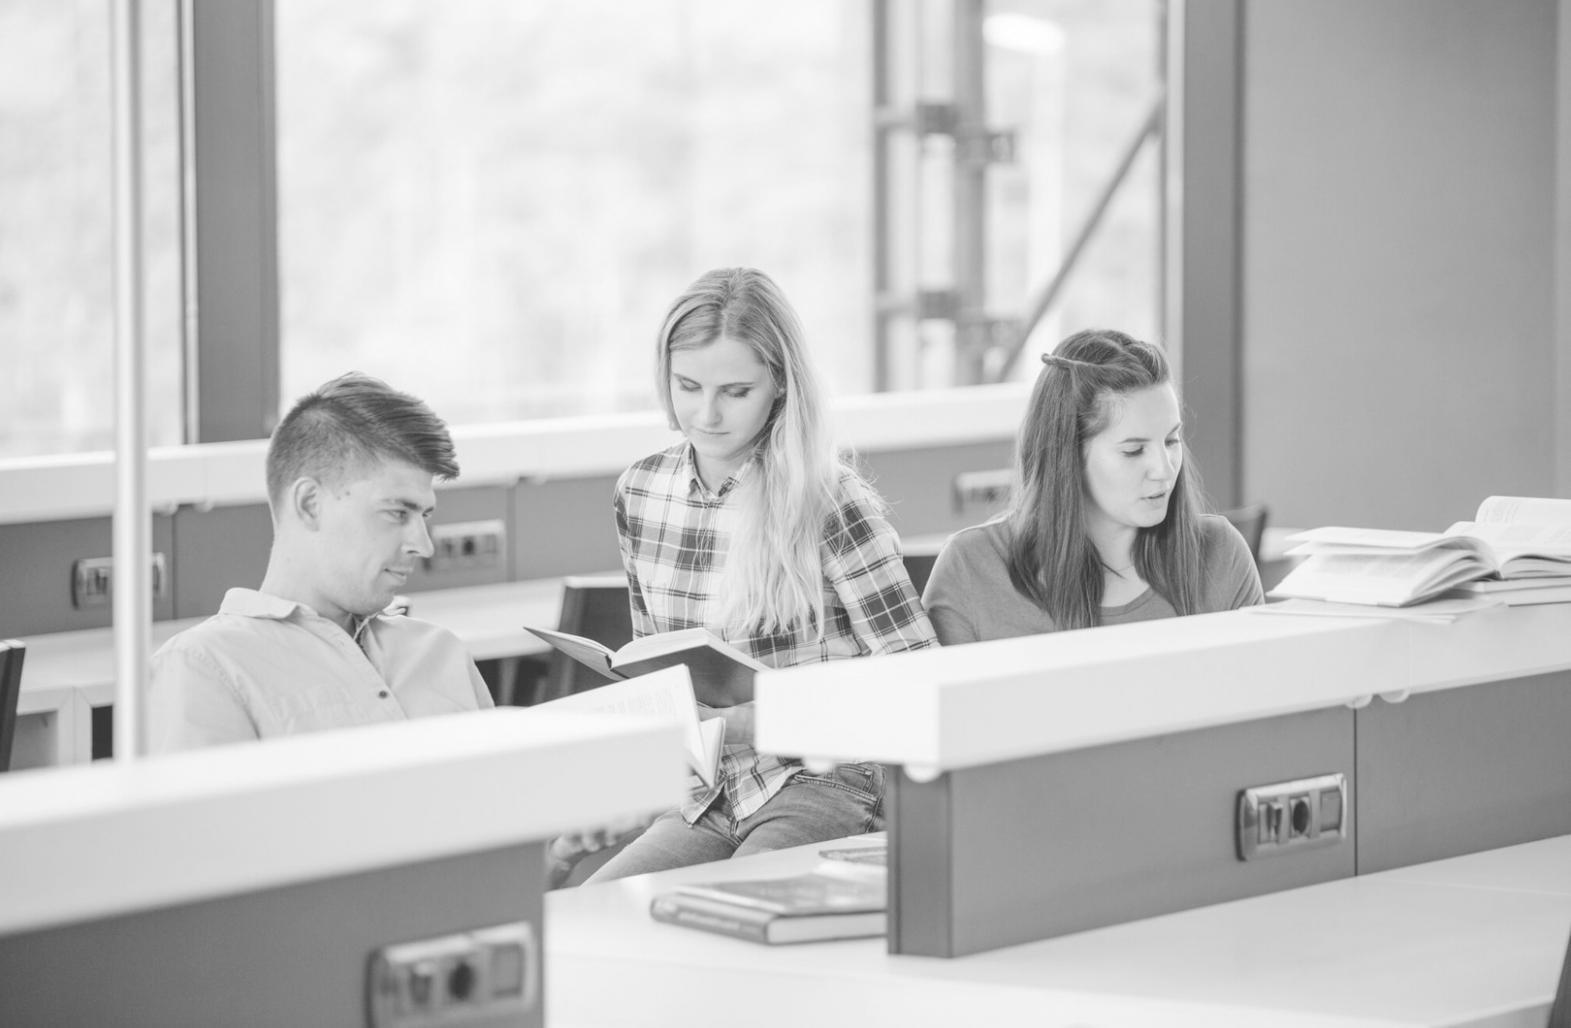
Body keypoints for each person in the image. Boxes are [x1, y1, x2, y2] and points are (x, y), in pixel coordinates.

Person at [576, 267, 937, 882]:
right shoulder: (640, 491)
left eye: (735, 392)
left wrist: (748, 721)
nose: (706, 414)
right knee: (598, 909)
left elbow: (918, 678)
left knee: (738, 901)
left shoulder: (830, 501)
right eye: (686, 386)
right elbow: (655, 663)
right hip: (709, 795)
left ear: (779, 385)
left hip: (825, 779)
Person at [148, 372, 494, 752]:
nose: (423, 545)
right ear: (310, 504)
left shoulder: (441, 652)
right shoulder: (206, 667)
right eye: (397, 513)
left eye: (424, 516)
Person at [923, 328, 1262, 645]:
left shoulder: (1222, 555)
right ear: (1067, 455)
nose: (1164, 469)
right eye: (1133, 451)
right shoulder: (970, 570)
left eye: (1171, 440)